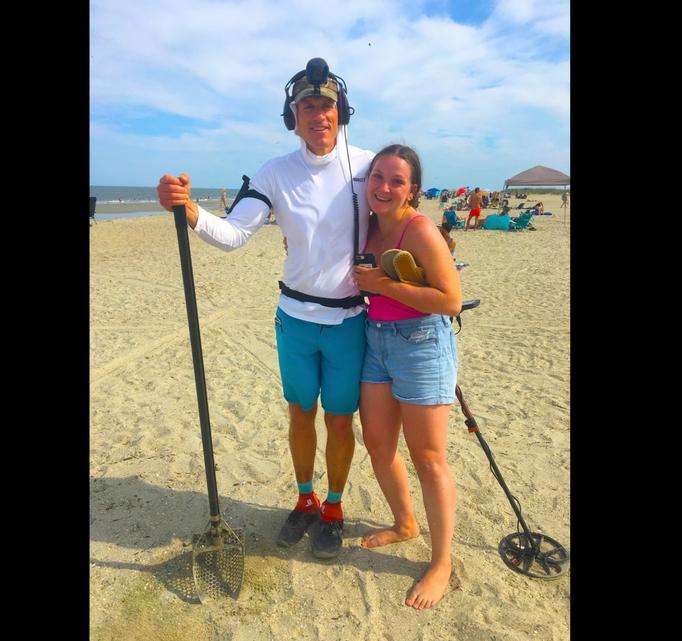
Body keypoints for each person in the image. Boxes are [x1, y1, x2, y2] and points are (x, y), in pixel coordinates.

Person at [157, 58, 376, 560]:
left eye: (327, 105)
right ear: (291, 116)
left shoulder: (368, 166)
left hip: (349, 321)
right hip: (295, 320)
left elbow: (401, 220)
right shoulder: (275, 172)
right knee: (300, 414)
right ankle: (305, 498)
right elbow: (235, 234)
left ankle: (334, 507)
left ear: (342, 112)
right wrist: (189, 209)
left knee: (340, 421)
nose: (318, 114)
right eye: (307, 106)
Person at [351, 144, 462, 610]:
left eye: (396, 180)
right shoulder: (367, 223)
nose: (384, 187)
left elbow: (451, 300)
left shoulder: (420, 230)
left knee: (429, 459)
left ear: (412, 189)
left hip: (421, 343)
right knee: (378, 444)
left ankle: (441, 562)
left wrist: (385, 285)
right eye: (378, 176)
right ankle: (404, 523)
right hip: (375, 338)